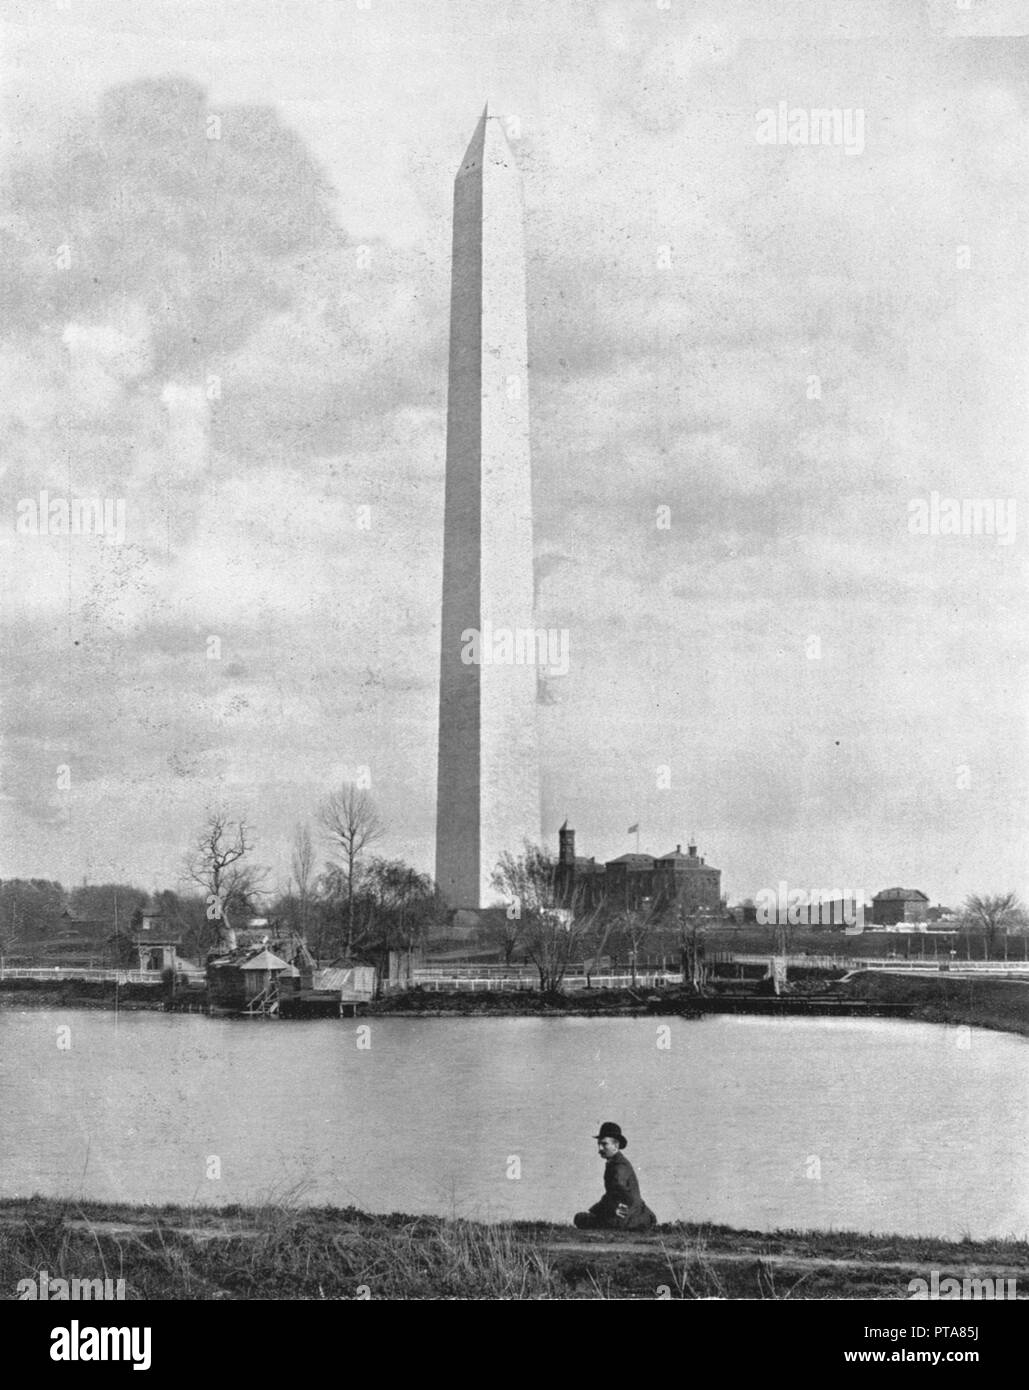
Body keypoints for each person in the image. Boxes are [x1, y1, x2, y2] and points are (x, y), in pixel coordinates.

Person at [573, 1121, 656, 1231]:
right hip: (638, 1216)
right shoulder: (617, 1162)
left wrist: (612, 1209)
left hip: (626, 1219)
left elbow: (620, 1192)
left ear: (616, 1145)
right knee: (587, 1216)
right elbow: (616, 1194)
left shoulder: (619, 1166)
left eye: (604, 1144)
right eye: (599, 1144)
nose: (600, 1149)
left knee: (580, 1218)